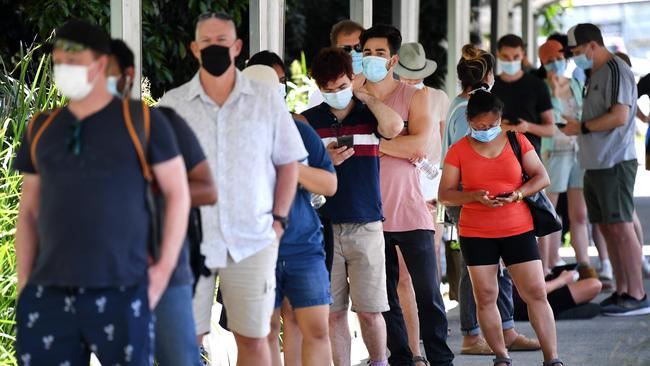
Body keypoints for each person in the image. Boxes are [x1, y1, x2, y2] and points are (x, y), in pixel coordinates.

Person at [14, 19, 190, 365]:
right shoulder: (41, 127)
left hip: (122, 290)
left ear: (99, 64)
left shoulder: (142, 122)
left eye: (74, 62)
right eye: (59, 61)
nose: (64, 69)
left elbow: (178, 195)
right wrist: (25, 285)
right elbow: (29, 210)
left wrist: (160, 274)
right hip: (49, 294)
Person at [159, 12, 307, 365]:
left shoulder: (266, 100)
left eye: (222, 41)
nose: (214, 48)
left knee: (255, 339)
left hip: (253, 238)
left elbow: (288, 164)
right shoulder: (173, 105)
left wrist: (278, 222)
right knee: (183, 341)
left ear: (237, 46)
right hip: (189, 241)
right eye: (207, 42)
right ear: (194, 48)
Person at [107, 38, 217, 366]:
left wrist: (151, 189)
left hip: (164, 269)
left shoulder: (161, 124)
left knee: (180, 359)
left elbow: (206, 190)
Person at [439, 89, 563, 366]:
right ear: (469, 120)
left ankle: (552, 358)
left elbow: (541, 177)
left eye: (492, 125)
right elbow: (445, 193)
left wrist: (518, 194)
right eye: (480, 126)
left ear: (500, 119)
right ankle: (501, 356)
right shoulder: (458, 150)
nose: (486, 131)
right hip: (475, 231)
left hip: (517, 227)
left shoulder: (516, 140)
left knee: (536, 292)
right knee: (485, 295)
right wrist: (473, 196)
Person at [360, 24, 454, 366]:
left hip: (412, 209)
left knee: (428, 293)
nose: (372, 58)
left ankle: (441, 359)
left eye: (380, 53)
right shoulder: (354, 97)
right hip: (368, 214)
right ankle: (402, 359)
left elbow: (419, 143)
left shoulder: (416, 96)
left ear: (393, 58)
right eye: (366, 52)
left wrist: (373, 145)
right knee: (383, 299)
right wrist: (395, 147)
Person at [302, 47, 403, 366]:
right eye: (328, 90)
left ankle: (379, 362)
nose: (336, 94)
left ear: (352, 79)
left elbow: (394, 128)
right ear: (318, 87)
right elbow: (296, 172)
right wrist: (325, 161)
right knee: (332, 314)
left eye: (342, 87)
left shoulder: (368, 114)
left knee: (371, 311)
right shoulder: (308, 121)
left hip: (366, 223)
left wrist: (368, 98)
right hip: (323, 227)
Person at [441, 44, 540, 356]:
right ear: (488, 75)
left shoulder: (467, 105)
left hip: (488, 199)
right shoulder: (467, 110)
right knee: (480, 271)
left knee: (494, 269)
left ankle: (506, 328)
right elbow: (465, 159)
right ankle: (472, 333)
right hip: (472, 199)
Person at [242, 60, 338, 366]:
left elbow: (329, 184)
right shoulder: (229, 137)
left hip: (302, 247)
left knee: (316, 329)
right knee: (261, 334)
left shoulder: (300, 132)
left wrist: (292, 166)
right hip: (252, 250)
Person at [561, 23, 650, 316]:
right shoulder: (595, 73)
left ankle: (637, 293)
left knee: (622, 228)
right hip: (595, 163)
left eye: (576, 51)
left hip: (614, 161)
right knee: (608, 229)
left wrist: (581, 127)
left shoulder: (615, 70)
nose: (575, 57)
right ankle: (623, 290)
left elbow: (620, 116)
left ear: (592, 46)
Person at [392, 41, 451, 363]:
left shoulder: (437, 98)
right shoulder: (389, 98)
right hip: (397, 191)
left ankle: (436, 346)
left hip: (429, 190)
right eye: (406, 74)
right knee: (402, 277)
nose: (411, 80)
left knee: (429, 276)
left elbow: (438, 147)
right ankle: (414, 351)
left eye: (416, 74)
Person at [536, 39, 597, 280]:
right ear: (543, 62)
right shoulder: (540, 87)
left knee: (579, 214)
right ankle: (548, 264)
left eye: (559, 59)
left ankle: (584, 264)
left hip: (577, 153)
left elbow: (583, 116)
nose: (555, 64)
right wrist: (551, 90)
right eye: (549, 61)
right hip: (553, 153)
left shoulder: (575, 83)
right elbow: (547, 120)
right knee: (550, 211)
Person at [492, 34, 554, 155]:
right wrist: (498, 128)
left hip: (530, 158)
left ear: (523, 55)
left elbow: (551, 129)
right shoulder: (490, 86)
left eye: (516, 57)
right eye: (506, 57)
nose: (511, 61)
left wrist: (527, 127)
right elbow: (477, 126)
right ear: (498, 54)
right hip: (496, 156)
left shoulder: (537, 85)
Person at [307, 19, 366, 109]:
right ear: (335, 51)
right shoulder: (323, 92)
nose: (353, 53)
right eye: (346, 49)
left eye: (359, 47)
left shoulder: (380, 85)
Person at [512, 270, 602, 321]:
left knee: (592, 285)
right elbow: (532, 290)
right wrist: (562, 280)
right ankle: (552, 313)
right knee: (594, 285)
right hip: (524, 302)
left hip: (529, 294)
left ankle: (557, 310)